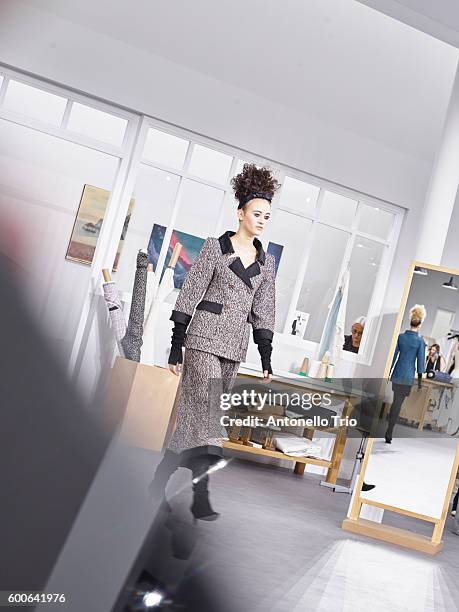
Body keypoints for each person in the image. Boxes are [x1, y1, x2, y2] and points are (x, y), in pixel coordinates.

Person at [149, 163, 279, 522]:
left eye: (267, 215)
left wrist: (266, 356)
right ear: (240, 213)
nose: (262, 220)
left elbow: (264, 311)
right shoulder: (213, 248)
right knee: (207, 413)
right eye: (257, 213)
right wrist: (177, 345)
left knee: (196, 419)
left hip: (234, 348)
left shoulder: (266, 264)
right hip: (203, 339)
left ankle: (158, 481)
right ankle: (200, 494)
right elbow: (189, 294)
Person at [385, 304, 426, 443]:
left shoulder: (401, 337)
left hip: (397, 374)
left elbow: (393, 357)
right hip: (408, 376)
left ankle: (389, 429)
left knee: (395, 402)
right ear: (420, 323)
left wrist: (387, 374)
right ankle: (389, 431)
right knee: (398, 403)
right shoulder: (420, 341)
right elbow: (420, 363)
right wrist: (420, 383)